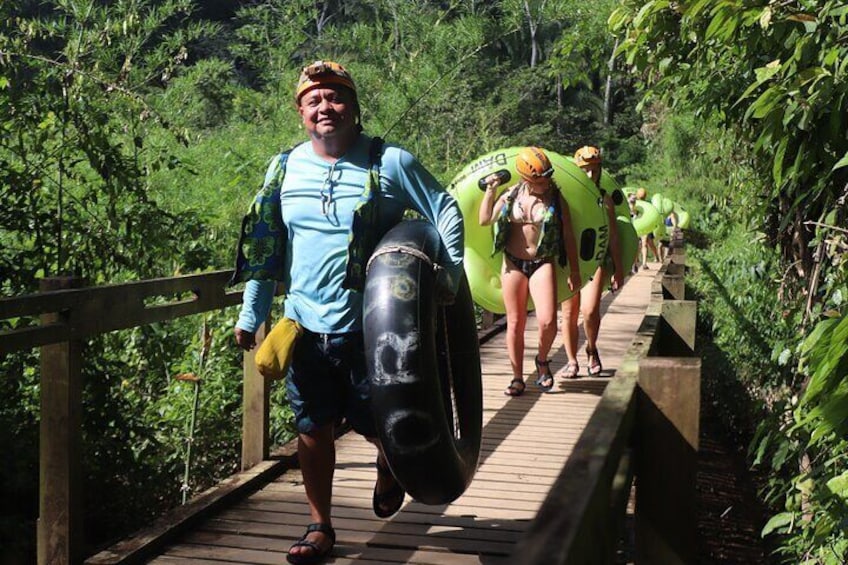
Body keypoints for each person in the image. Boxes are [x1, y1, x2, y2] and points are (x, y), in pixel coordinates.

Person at [232, 60, 464, 565]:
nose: (325, 107)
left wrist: (452, 276)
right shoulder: (283, 168)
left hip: (374, 331)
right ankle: (321, 525)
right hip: (304, 325)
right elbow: (266, 248)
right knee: (312, 429)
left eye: (335, 97)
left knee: (380, 424)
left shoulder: (389, 163)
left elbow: (444, 209)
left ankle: (388, 465)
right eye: (313, 100)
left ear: (354, 107)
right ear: (300, 113)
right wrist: (251, 314)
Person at [478, 147, 580, 396]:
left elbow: (567, 234)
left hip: (541, 261)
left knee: (547, 321)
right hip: (513, 263)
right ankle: (516, 377)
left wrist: (574, 270)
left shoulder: (556, 198)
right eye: (539, 179)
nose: (544, 182)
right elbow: (485, 219)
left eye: (546, 177)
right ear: (525, 178)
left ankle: (542, 360)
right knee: (515, 323)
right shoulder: (511, 194)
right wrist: (491, 190)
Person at [558, 146, 623, 378]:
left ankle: (591, 349)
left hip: (594, 260)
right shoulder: (564, 198)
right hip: (567, 260)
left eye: (593, 170)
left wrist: (618, 267)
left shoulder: (604, 200)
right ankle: (571, 361)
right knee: (569, 313)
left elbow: (613, 236)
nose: (589, 175)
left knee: (590, 309)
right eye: (584, 170)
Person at [635, 187, 660, 269]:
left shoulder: (648, 204)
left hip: (646, 225)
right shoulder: (636, 204)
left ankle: (646, 261)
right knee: (644, 244)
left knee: (646, 243)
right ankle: (639, 260)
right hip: (638, 225)